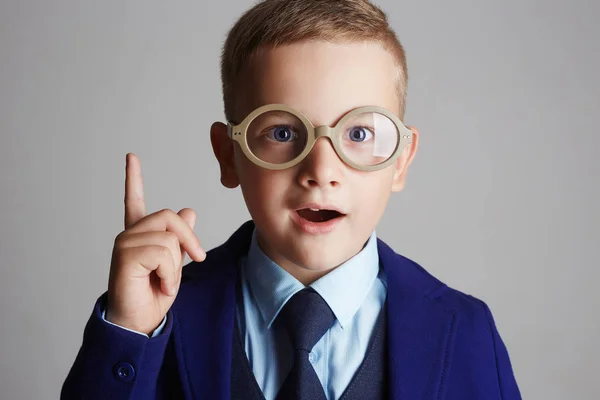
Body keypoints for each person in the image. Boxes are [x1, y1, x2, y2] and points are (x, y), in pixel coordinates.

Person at [61, 0, 521, 399]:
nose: (321, 172)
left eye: (359, 133)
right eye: (282, 133)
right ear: (228, 156)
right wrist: (128, 330)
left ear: (400, 160)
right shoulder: (160, 317)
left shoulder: (466, 328)